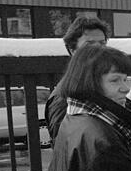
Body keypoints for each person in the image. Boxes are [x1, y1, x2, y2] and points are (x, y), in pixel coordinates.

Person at [45, 15, 112, 143]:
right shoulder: (63, 97)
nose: (99, 49)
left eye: (102, 43)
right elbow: (65, 149)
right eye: (89, 44)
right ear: (72, 50)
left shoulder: (101, 86)